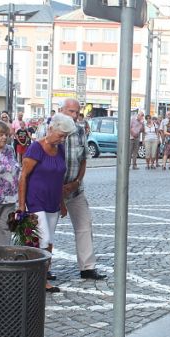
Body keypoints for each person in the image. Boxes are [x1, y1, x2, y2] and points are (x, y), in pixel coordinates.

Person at [18, 113, 76, 292]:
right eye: (60, 135)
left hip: (52, 202)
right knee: (41, 240)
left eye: (65, 136)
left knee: (49, 241)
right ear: (51, 129)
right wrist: (21, 207)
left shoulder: (60, 149)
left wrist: (62, 203)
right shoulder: (36, 148)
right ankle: (36, 279)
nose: (62, 139)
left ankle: (41, 276)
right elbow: (23, 177)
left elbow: (59, 179)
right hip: (35, 201)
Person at [60, 98, 107, 281]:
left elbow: (84, 159)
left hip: (75, 189)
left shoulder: (80, 131)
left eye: (77, 113)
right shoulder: (49, 128)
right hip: (54, 189)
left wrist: (77, 181)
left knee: (84, 225)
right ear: (61, 110)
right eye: (70, 111)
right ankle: (44, 269)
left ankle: (87, 267)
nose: (74, 116)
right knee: (47, 229)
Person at [0, 120, 19, 245]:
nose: (4, 137)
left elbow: (15, 169)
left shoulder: (10, 149)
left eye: (6, 134)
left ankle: (2, 258)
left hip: (10, 198)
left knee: (5, 229)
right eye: (0, 134)